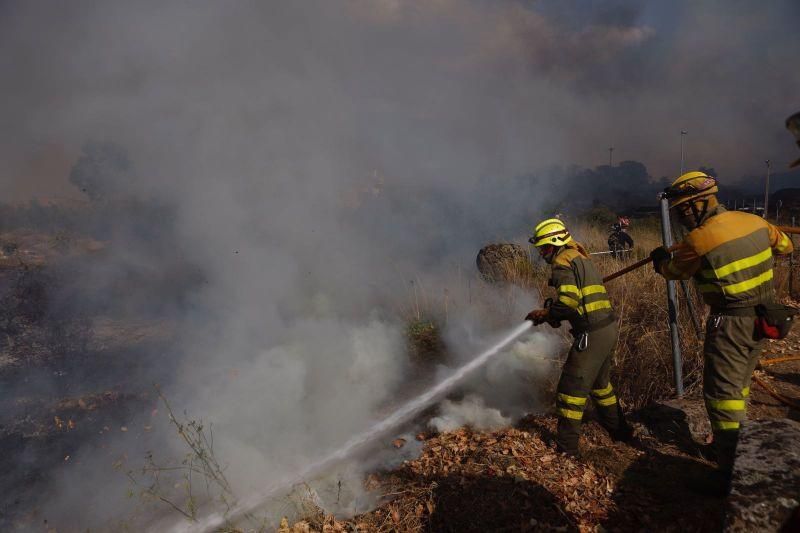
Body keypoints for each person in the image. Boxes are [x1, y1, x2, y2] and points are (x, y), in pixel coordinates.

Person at [650, 171, 793, 477]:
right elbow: (785, 247)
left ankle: (730, 472)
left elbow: (674, 271)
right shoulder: (754, 221)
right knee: (739, 385)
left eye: (681, 211)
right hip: (765, 316)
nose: (681, 217)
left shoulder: (699, 240)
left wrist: (660, 259)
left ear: (696, 206)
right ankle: (737, 446)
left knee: (720, 396)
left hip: (730, 323)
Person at [525, 218, 631, 457]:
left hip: (591, 333)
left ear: (555, 243)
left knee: (570, 389)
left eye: (544, 248)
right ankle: (621, 433)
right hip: (607, 328)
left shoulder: (562, 262)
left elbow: (569, 302)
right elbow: (577, 300)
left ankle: (567, 448)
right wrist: (555, 313)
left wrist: (546, 314)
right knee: (601, 386)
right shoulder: (579, 256)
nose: (542, 253)